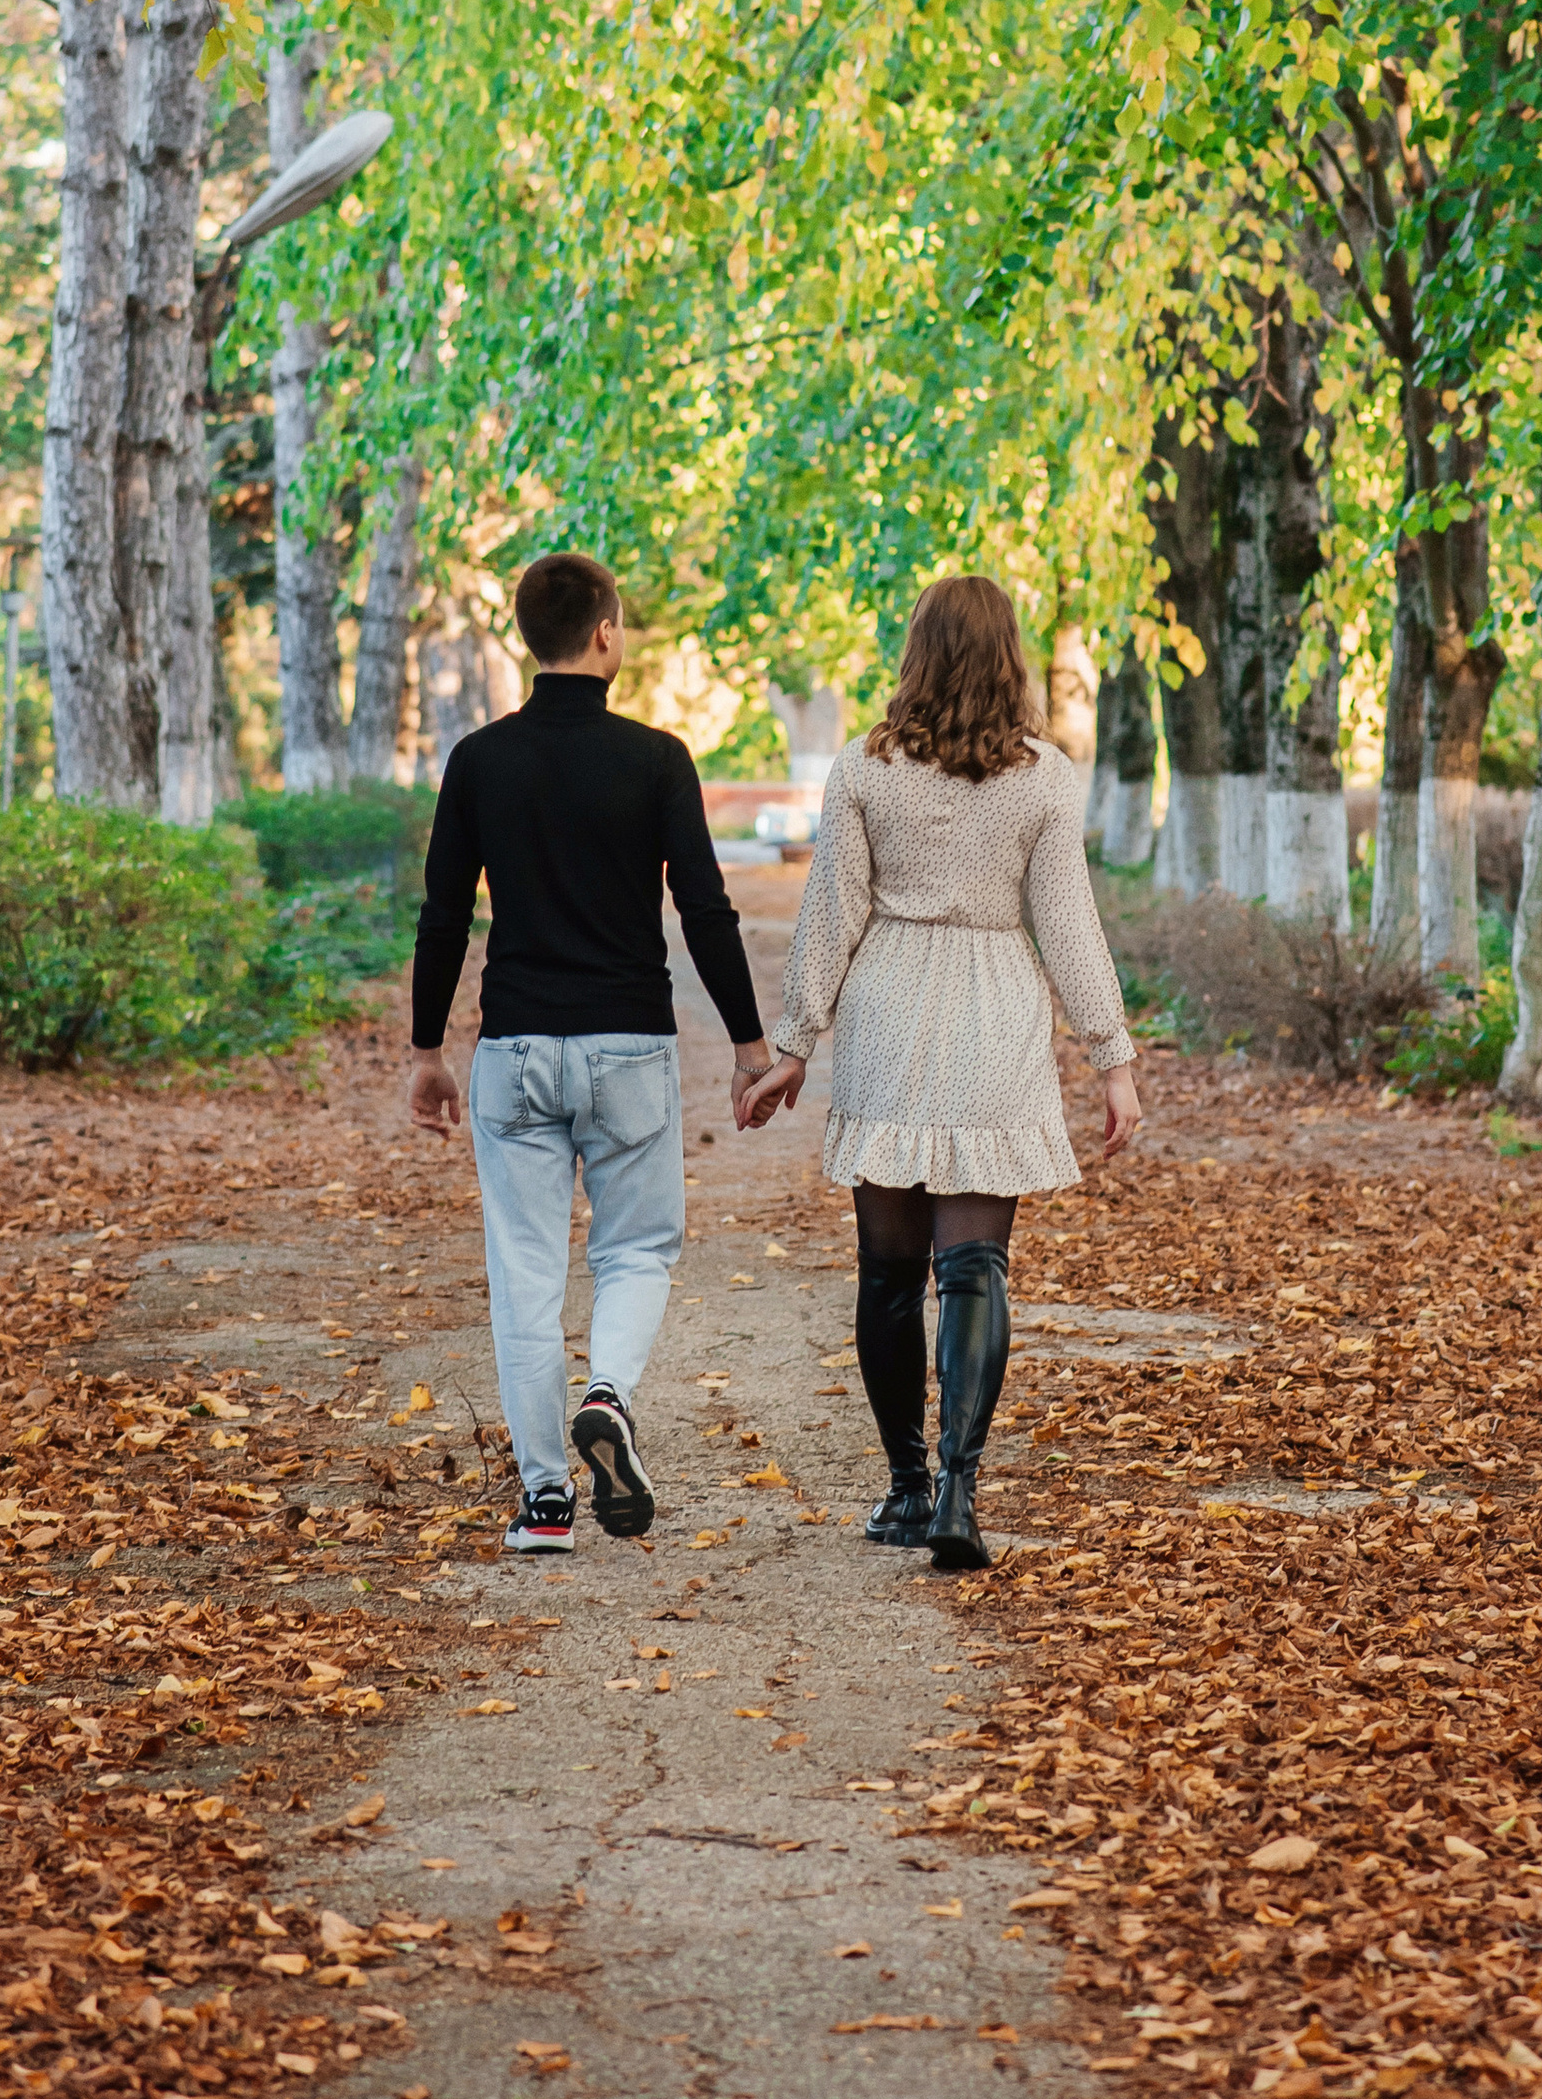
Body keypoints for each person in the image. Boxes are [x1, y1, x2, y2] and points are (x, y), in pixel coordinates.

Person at [743, 575, 1140, 1571]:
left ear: (916, 653)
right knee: (975, 1265)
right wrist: (1112, 1060)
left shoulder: (863, 769)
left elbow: (831, 913)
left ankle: (906, 1488)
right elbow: (1068, 924)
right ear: (1009, 655)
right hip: (996, 1005)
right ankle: (961, 1491)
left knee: (888, 1270)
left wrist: (795, 1041)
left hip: (889, 1004)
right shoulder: (1046, 776)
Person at [408, 549, 786, 1554]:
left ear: (528, 640)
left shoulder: (479, 760)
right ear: (607, 634)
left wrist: (424, 1048)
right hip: (627, 1046)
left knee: (525, 1273)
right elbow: (704, 910)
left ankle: (542, 1502)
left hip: (515, 1045)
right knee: (636, 1250)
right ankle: (609, 1396)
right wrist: (751, 1047)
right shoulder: (656, 759)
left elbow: (445, 913)